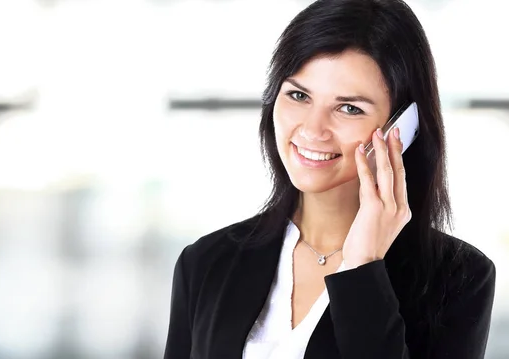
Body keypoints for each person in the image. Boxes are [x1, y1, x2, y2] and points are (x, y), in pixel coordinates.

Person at [163, 0, 496, 358]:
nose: (312, 129)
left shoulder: (458, 279)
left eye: (349, 108)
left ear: (403, 127)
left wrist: (363, 268)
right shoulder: (206, 262)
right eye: (299, 95)